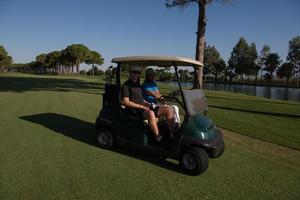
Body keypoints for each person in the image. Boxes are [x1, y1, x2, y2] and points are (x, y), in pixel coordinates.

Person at [122, 65, 162, 142]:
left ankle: (169, 133)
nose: (136, 74)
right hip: (134, 109)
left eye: (138, 73)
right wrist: (140, 106)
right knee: (151, 113)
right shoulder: (126, 85)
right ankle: (158, 136)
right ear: (130, 73)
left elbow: (140, 98)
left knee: (166, 110)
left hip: (142, 107)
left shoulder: (137, 83)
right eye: (134, 72)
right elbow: (126, 102)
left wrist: (146, 102)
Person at [142, 68, 178, 138]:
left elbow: (158, 93)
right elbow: (153, 94)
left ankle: (174, 128)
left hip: (156, 103)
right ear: (147, 76)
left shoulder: (154, 84)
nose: (153, 77)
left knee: (174, 107)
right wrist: (160, 98)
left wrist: (163, 100)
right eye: (151, 76)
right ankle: (171, 133)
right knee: (169, 110)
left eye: (153, 76)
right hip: (150, 105)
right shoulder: (145, 85)